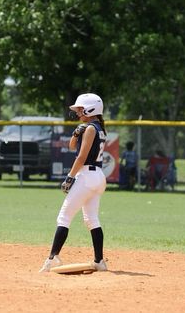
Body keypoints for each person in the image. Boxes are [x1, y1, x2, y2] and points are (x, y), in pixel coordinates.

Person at [39, 93, 108, 272]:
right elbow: (71, 146)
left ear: (90, 109)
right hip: (98, 176)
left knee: (64, 217)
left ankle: (52, 258)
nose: (78, 112)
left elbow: (81, 157)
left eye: (80, 109)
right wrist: (77, 133)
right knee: (92, 219)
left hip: (86, 175)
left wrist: (70, 177)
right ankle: (99, 261)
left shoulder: (92, 128)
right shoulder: (97, 127)